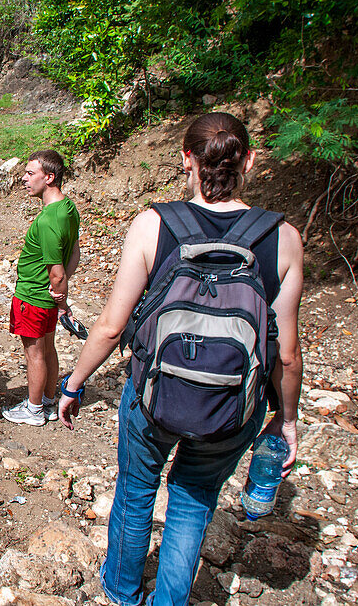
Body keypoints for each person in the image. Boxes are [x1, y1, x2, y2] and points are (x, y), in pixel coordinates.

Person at [57, 112, 304, 606]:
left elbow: (110, 325)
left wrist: (73, 383)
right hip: (233, 407)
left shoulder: (154, 225)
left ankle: (123, 593)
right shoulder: (284, 238)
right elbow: (288, 351)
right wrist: (288, 420)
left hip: (152, 394)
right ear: (250, 160)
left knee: (135, 491)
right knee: (192, 503)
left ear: (185, 160)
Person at [2, 149, 81, 426]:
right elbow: (74, 253)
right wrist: (59, 294)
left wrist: (61, 298)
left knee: (34, 354)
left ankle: (34, 410)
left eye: (30, 173)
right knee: (49, 348)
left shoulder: (48, 220)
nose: (24, 179)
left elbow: (57, 272)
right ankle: (48, 400)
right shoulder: (68, 208)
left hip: (34, 296)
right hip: (45, 296)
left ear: (49, 177)